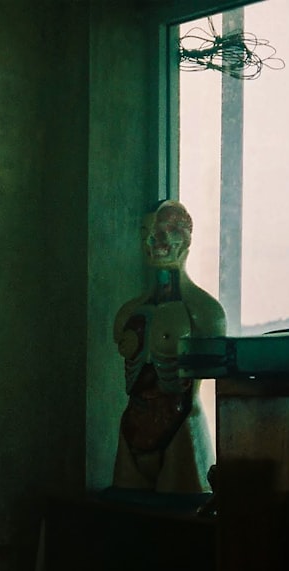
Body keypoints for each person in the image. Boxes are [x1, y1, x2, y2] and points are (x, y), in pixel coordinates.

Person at [112, 200, 226, 493]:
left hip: (181, 426)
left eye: (164, 232)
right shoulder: (128, 313)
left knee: (180, 522)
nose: (153, 241)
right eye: (147, 233)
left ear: (185, 238)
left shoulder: (205, 313)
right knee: (129, 519)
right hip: (133, 427)